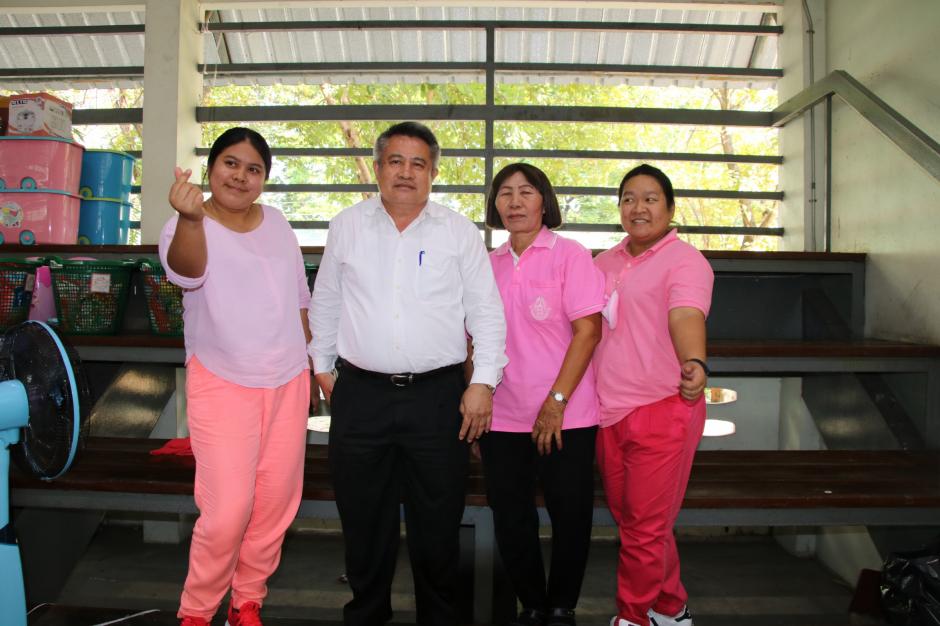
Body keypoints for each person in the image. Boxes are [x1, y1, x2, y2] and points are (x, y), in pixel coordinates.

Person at [309, 121, 507, 626]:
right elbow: (326, 301)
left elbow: (486, 312)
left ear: (433, 173)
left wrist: (483, 382)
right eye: (395, 161)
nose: (406, 172)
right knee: (363, 521)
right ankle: (367, 615)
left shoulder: (458, 232)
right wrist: (323, 367)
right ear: (378, 168)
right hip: (361, 395)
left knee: (437, 524)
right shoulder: (347, 226)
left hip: (437, 398)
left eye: (418, 163)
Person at [160, 127, 314, 626]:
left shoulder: (277, 223)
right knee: (227, 510)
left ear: (264, 178)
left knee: (274, 506)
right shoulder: (185, 224)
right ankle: (197, 611)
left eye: (254, 169)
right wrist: (191, 219)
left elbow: (299, 298)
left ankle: (247, 602)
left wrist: (312, 364)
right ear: (211, 168)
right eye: (231, 163)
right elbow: (187, 273)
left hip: (288, 379)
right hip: (222, 379)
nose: (241, 176)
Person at [480, 163, 605, 626]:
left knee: (570, 515)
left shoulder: (570, 255)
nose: (514, 201)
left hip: (566, 414)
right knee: (511, 516)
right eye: (505, 193)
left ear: (543, 201)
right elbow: (474, 340)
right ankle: (531, 604)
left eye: (526, 192)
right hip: (502, 415)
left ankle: (562, 607)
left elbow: (588, 332)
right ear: (495, 204)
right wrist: (476, 403)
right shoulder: (486, 264)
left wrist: (555, 403)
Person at [593, 164, 714, 626]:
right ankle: (670, 606)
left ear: (670, 207)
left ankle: (633, 616)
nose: (637, 207)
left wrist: (694, 361)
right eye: (628, 198)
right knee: (638, 522)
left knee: (644, 527)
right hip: (609, 412)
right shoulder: (604, 262)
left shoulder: (685, 261)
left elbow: (686, 314)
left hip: (664, 407)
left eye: (649, 198)